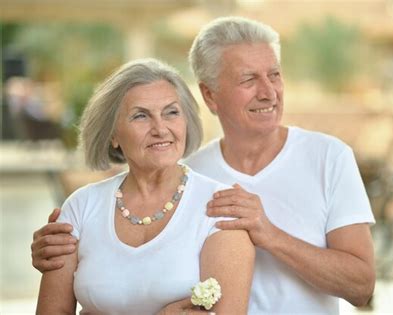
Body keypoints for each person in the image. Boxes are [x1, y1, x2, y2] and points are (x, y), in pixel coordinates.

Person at [32, 17, 375, 314]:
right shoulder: (188, 171)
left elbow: (362, 288)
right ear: (209, 96)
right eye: (248, 79)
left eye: (274, 75)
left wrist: (269, 234)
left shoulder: (329, 158)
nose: (268, 91)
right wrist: (59, 255)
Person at [35, 58, 255, 315]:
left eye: (171, 112)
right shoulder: (81, 206)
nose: (160, 129)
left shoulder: (222, 208)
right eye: (141, 116)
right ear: (113, 135)